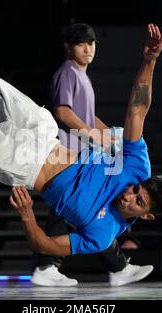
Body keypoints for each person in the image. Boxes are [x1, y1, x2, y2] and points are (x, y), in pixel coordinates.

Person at [0, 24, 162, 285]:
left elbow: (47, 245)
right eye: (136, 189)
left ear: (146, 215)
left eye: (138, 201)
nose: (128, 194)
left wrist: (27, 214)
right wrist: (150, 60)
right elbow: (137, 109)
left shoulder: (102, 233)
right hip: (44, 131)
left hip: (26, 163)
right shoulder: (138, 166)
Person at [31, 23, 147, 287]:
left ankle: (117, 268)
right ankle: (47, 266)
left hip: (81, 154)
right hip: (68, 153)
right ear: (67, 47)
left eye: (91, 43)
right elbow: (62, 111)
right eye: (81, 43)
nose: (88, 48)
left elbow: (86, 115)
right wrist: (90, 133)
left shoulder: (83, 76)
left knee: (90, 213)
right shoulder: (68, 72)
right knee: (67, 210)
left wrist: (109, 134)